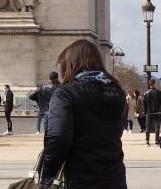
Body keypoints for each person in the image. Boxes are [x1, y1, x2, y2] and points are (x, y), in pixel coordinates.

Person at [41, 39, 127, 189]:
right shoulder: (117, 91)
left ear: (70, 65)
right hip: (115, 176)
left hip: (81, 177)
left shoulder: (65, 93)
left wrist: (48, 173)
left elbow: (58, 137)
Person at [144, 78, 161, 147]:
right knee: (157, 127)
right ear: (154, 84)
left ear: (149, 84)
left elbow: (144, 104)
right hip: (157, 112)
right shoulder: (159, 92)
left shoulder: (146, 93)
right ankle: (157, 141)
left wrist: (145, 111)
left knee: (147, 127)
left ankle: (147, 141)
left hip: (149, 112)